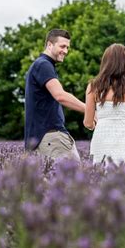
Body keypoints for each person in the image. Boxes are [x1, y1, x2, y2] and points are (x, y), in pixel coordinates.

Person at [24, 29, 85, 161]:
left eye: (67, 47)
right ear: (49, 45)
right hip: (52, 137)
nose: (66, 51)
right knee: (74, 179)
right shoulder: (44, 65)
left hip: (42, 139)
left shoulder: (39, 65)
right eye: (62, 46)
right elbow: (60, 96)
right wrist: (90, 110)